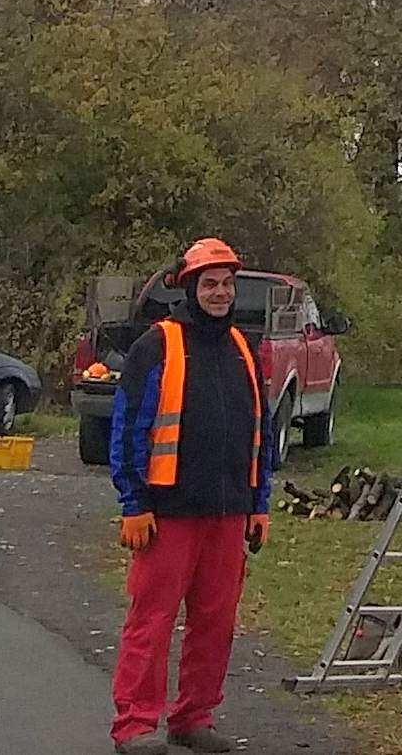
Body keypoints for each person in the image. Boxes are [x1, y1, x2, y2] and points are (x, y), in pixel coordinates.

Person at [108, 237, 273, 755]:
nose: (220, 293)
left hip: (228, 512)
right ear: (190, 288)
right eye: (210, 284)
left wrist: (259, 503)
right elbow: (127, 429)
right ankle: (135, 725)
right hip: (168, 514)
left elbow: (261, 431)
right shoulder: (157, 345)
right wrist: (134, 504)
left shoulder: (243, 348)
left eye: (227, 284)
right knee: (152, 622)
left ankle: (193, 718)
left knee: (216, 623)